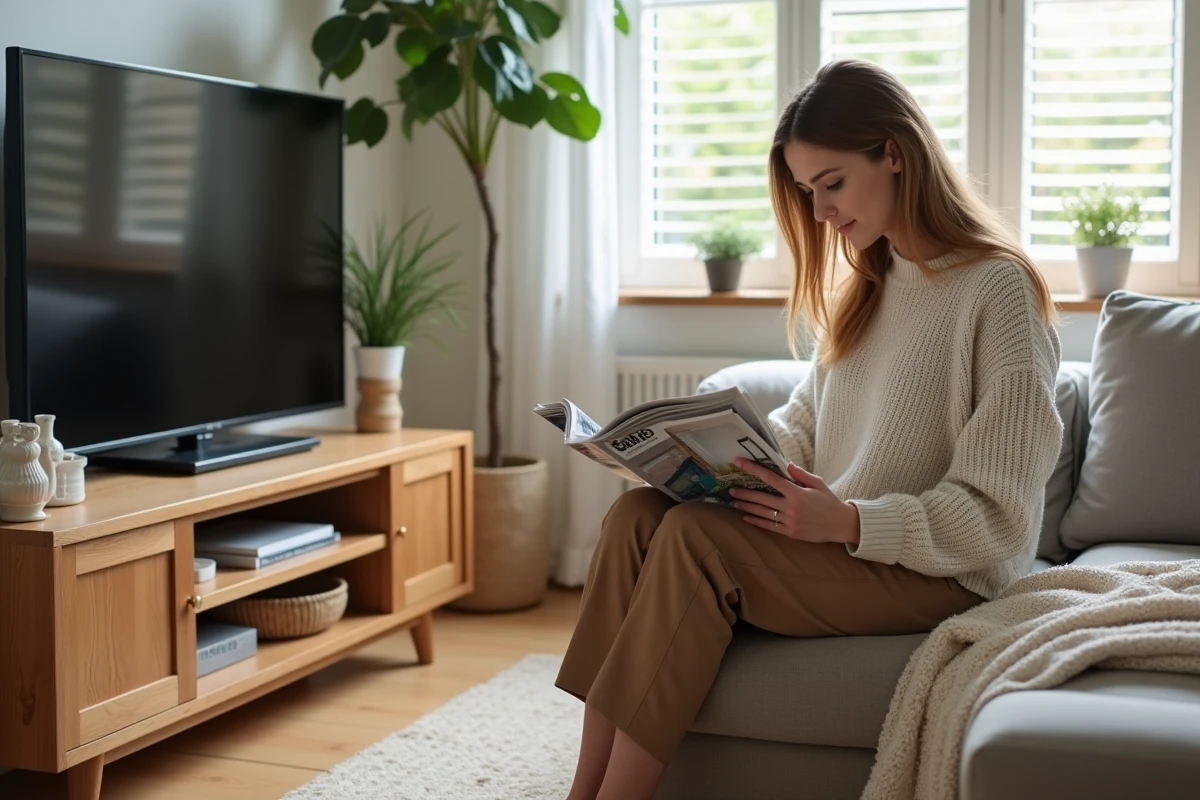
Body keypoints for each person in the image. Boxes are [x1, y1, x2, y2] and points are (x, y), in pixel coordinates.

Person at [554, 58, 1065, 800]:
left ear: (894, 153)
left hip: (938, 572)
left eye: (832, 184)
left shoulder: (998, 291)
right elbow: (803, 429)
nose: (820, 212)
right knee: (639, 517)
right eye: (807, 192)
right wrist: (696, 465)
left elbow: (1000, 517)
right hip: (844, 545)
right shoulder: (871, 282)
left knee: (696, 543)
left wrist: (851, 520)